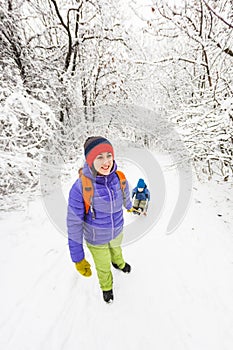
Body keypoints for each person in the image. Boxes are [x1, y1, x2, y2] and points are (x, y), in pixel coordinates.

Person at [67, 136, 133, 303]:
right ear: (90, 160)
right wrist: (78, 258)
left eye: (109, 155)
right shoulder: (80, 187)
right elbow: (74, 224)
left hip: (117, 229)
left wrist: (129, 205)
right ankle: (107, 287)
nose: (106, 162)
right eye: (99, 157)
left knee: (117, 250)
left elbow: (125, 193)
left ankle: (118, 263)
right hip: (96, 239)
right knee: (103, 267)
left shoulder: (119, 177)